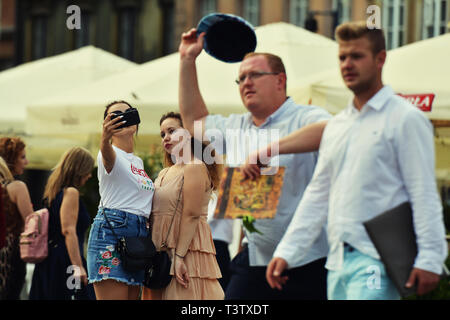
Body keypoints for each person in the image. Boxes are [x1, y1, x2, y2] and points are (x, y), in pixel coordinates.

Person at [265, 21, 448, 300]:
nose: (347, 64)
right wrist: (287, 251)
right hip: (337, 262)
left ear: (380, 59)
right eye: (342, 57)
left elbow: (423, 192)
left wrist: (431, 258)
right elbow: (318, 194)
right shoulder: (337, 126)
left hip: (376, 260)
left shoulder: (406, 119)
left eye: (357, 56)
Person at [178, 29, 332, 300]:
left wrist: (270, 150)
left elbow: (332, 131)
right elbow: (193, 121)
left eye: (255, 75)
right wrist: (187, 60)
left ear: (280, 80)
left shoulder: (305, 116)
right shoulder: (236, 127)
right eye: (241, 78)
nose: (246, 82)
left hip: (308, 258)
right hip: (255, 258)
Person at [142, 112, 224, 300]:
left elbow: (192, 215)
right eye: (162, 134)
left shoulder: (195, 166)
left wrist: (179, 257)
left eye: (171, 131)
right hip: (159, 253)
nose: (166, 138)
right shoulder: (164, 172)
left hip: (186, 248)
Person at [87, 101, 155, 300]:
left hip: (137, 239)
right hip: (111, 231)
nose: (123, 117)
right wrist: (104, 140)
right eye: (115, 115)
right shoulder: (107, 153)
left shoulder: (137, 161)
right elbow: (107, 157)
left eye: (128, 113)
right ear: (107, 124)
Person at [29, 147, 95, 300]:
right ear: (80, 169)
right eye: (88, 170)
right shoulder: (71, 192)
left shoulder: (52, 193)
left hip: (49, 261)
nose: (90, 175)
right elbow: (68, 230)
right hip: (65, 262)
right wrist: (77, 266)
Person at [0, 138, 34, 300]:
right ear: (9, 159)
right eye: (22, 157)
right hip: (11, 254)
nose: (26, 162)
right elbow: (32, 223)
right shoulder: (17, 187)